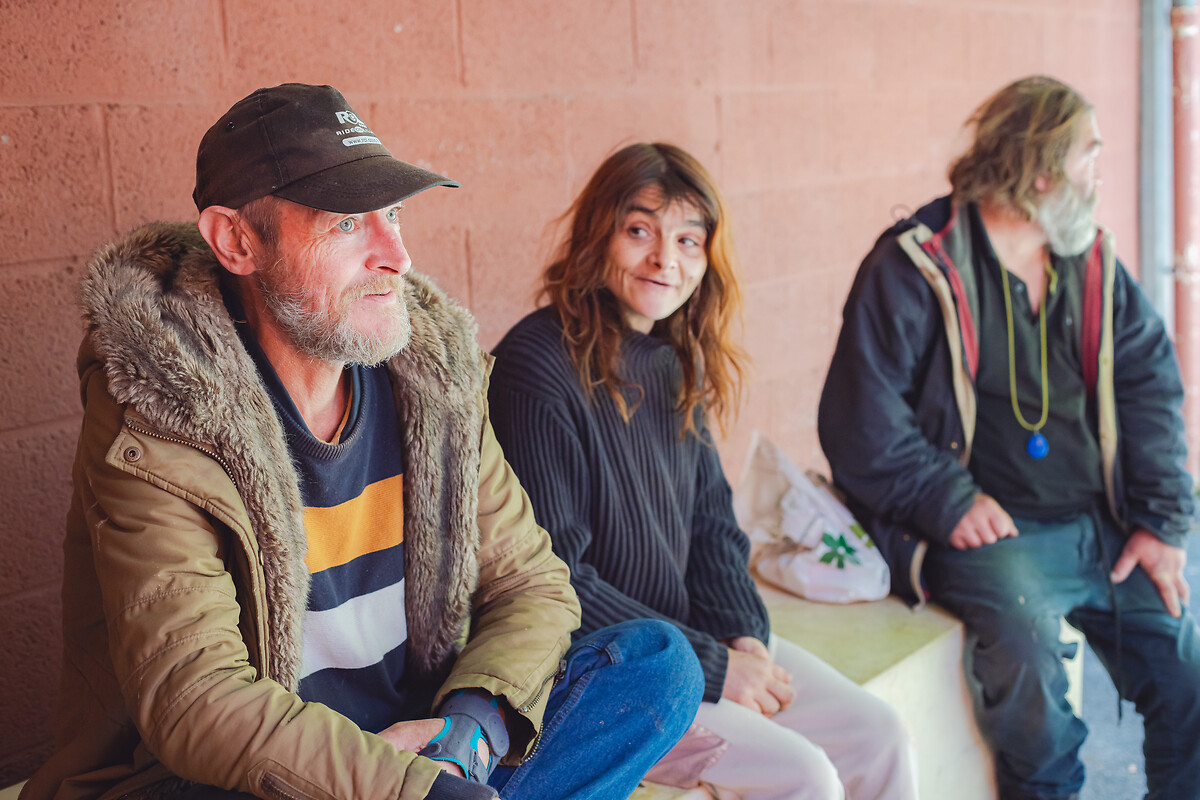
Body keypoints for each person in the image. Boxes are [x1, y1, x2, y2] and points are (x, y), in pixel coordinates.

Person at [21, 84, 704, 800]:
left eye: (394, 214)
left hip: (416, 742)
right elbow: (197, 700)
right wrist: (410, 788)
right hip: (243, 775)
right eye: (348, 223)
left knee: (656, 666)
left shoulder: (433, 383)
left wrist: (465, 736)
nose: (397, 256)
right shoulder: (158, 411)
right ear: (237, 241)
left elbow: (530, 584)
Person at [486, 142, 919, 800]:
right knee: (805, 778)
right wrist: (717, 668)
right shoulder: (535, 367)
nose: (666, 259)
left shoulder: (672, 359)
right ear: (599, 234)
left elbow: (713, 526)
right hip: (607, 671)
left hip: (693, 639)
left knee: (880, 734)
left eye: (689, 240)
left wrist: (744, 635)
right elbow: (557, 581)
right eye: (640, 231)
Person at [818, 75, 1200, 800]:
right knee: (1036, 702)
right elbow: (858, 420)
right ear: (1041, 170)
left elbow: (1150, 387)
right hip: (991, 537)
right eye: (1089, 154)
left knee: (1189, 680)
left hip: (1102, 525)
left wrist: (1159, 521)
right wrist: (947, 499)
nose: (1098, 173)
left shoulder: (1089, 261)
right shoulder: (915, 264)